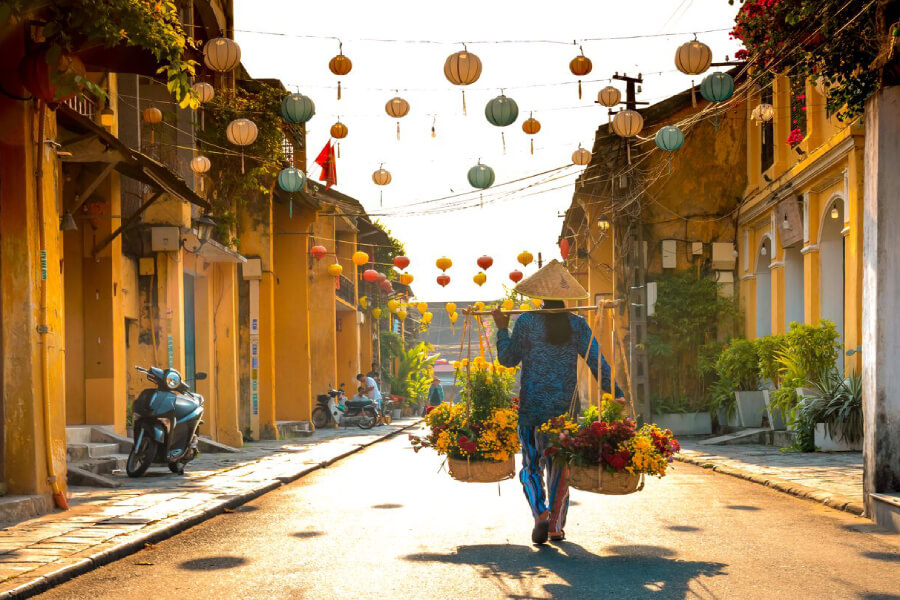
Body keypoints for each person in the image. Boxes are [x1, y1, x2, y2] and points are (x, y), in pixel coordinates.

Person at [492, 260, 624, 545]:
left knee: (530, 466)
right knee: (559, 465)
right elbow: (596, 361)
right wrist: (615, 391)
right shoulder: (577, 324)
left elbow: (507, 359)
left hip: (531, 409)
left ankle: (539, 512)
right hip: (563, 412)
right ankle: (554, 526)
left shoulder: (526, 322)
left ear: (539, 295)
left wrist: (502, 329)